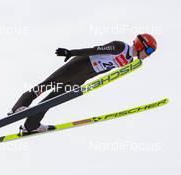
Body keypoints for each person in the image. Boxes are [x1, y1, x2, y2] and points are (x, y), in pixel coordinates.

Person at [8, 33, 157, 133]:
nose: (149, 55)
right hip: (81, 64)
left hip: (84, 76)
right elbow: (95, 49)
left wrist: (86, 81)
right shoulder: (120, 47)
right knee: (48, 84)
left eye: (151, 52)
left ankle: (30, 125)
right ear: (140, 45)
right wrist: (71, 52)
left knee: (52, 100)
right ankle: (19, 107)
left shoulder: (129, 61)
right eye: (149, 50)